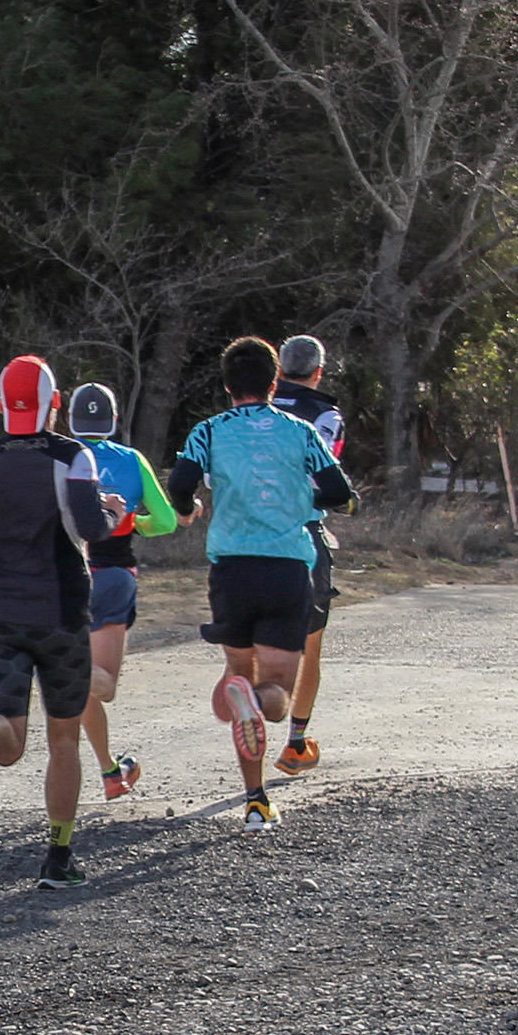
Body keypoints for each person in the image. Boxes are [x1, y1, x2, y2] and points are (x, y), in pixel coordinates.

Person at [0, 355, 114, 888]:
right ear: (55, 404)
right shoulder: (73, 456)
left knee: (10, 747)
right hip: (60, 616)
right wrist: (110, 511)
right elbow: (90, 528)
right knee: (64, 742)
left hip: (0, 615)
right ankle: (59, 859)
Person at [165, 338, 354, 833]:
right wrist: (306, 494)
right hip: (288, 565)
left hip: (231, 567)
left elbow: (180, 483)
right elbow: (338, 492)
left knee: (238, 677)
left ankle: (255, 798)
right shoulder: (302, 432)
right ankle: (255, 785)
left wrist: (188, 511)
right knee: (276, 695)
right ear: (274, 383)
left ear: (227, 386)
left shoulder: (208, 431)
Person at [65, 382, 178, 799]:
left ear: (70, 420)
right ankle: (54, 671)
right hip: (111, 574)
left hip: (63, 576)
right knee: (102, 684)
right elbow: (164, 521)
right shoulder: (131, 459)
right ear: (113, 421)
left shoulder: (58, 456)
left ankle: (111, 772)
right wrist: (139, 523)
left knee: (80, 682)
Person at [270, 335, 345, 777]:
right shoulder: (325, 415)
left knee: (257, 637)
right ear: (318, 372)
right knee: (309, 646)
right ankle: (296, 742)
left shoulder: (256, 408)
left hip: (250, 534)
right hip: (304, 531)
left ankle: (253, 716)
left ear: (278, 371)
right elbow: (326, 476)